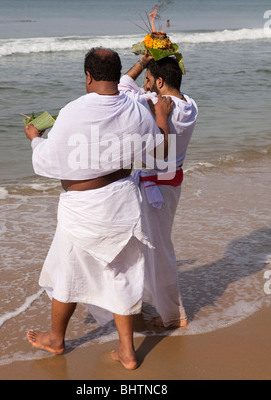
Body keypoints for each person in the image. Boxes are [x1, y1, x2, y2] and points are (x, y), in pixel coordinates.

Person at [24, 47, 172, 370]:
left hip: (81, 210)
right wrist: (162, 120)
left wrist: (35, 138)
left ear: (88, 77)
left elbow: (46, 162)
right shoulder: (135, 110)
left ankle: (56, 338)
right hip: (121, 205)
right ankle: (127, 352)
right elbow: (162, 156)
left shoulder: (73, 112)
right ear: (117, 75)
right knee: (122, 277)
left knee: (67, 274)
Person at [118, 52, 198, 328]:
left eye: (149, 80)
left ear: (160, 82)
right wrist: (151, 66)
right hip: (169, 183)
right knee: (149, 246)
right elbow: (135, 89)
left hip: (156, 187)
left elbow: (120, 87)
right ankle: (144, 305)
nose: (145, 85)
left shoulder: (155, 105)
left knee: (159, 249)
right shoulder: (189, 104)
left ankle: (174, 315)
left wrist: (141, 62)